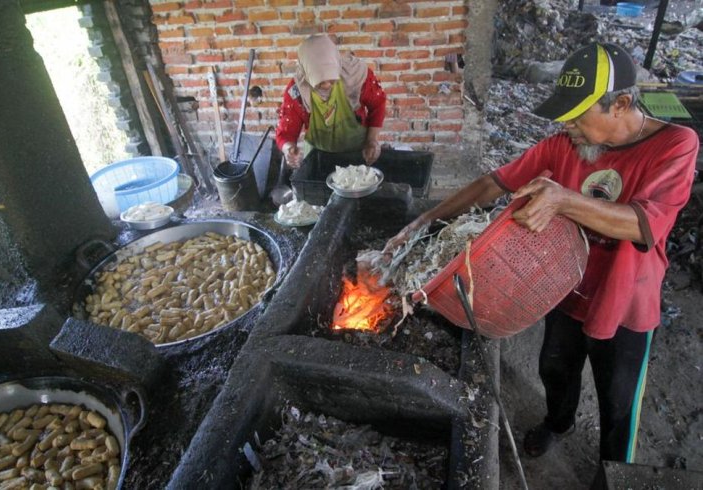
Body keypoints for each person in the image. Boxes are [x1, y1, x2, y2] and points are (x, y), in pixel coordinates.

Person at [383, 42, 699, 463]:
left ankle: (612, 472)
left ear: (621, 104)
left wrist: (563, 199)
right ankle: (559, 422)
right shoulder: (563, 146)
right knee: (555, 367)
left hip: (624, 300)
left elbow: (644, 224)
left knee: (617, 401)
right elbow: (494, 183)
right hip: (563, 285)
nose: (567, 125)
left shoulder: (675, 145)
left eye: (578, 115)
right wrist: (423, 222)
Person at [275, 35, 387, 168]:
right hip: (318, 155)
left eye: (332, 80)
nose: (327, 85)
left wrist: (372, 140)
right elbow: (286, 133)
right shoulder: (297, 91)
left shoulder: (354, 74)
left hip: (358, 150)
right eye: (320, 82)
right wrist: (289, 149)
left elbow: (378, 104)